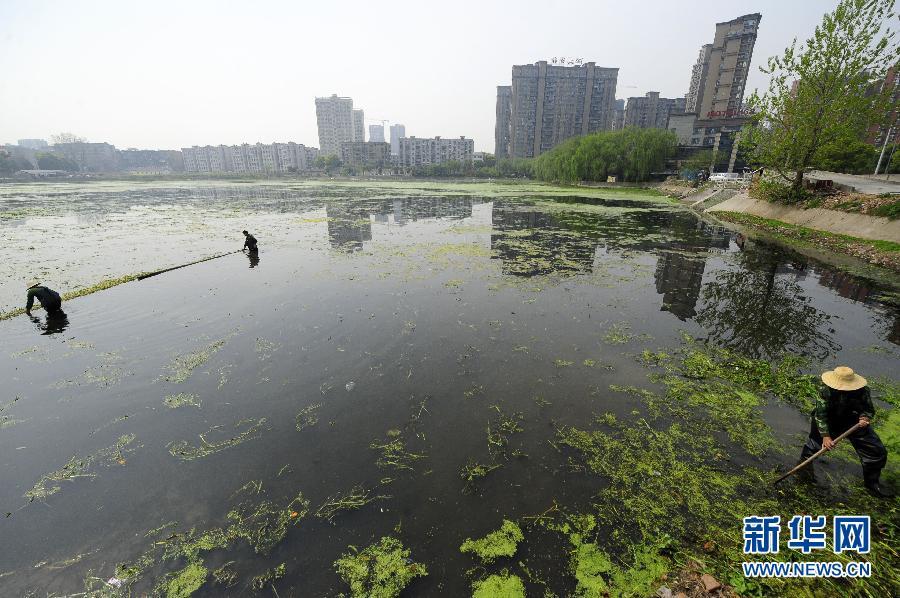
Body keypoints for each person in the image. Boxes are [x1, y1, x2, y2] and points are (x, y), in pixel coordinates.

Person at [799, 366, 890, 498]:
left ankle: (872, 484)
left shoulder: (862, 391)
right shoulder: (825, 390)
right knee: (814, 445)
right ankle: (803, 469)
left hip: (853, 421)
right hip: (828, 421)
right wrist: (825, 436)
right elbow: (820, 414)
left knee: (875, 450)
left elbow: (868, 409)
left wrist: (865, 417)